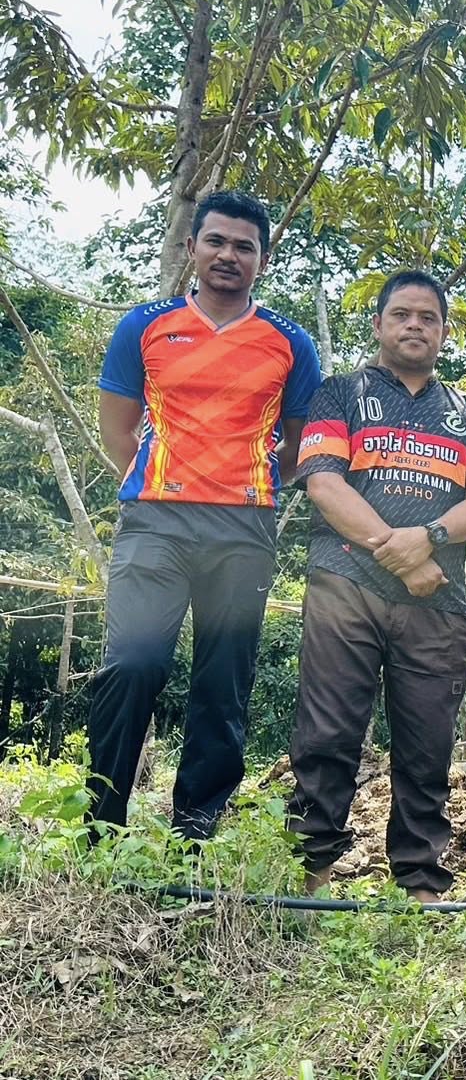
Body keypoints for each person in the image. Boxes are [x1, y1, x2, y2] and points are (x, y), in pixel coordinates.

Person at [88, 190, 321, 839]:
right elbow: (118, 430)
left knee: (223, 686)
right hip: (155, 522)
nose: (228, 254)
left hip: (242, 531)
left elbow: (298, 447)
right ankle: (101, 825)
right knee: (132, 664)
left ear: (263, 260)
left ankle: (193, 833)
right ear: (192, 248)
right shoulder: (144, 324)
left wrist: (242, 486)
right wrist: (165, 481)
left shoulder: (290, 343)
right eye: (215, 241)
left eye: (244, 246)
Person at [286, 271, 466, 902]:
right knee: (326, 735)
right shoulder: (340, 394)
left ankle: (421, 882)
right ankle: (311, 873)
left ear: (443, 332)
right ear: (379, 324)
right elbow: (324, 484)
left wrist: (429, 538)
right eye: (402, 314)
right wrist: (402, 557)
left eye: (428, 317)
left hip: (437, 603)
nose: (414, 325)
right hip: (344, 589)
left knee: (426, 748)